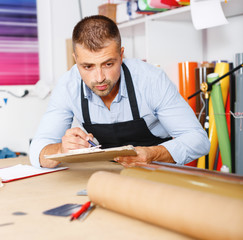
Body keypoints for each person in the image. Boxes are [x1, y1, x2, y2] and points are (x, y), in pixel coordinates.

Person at [29, 15, 210, 168]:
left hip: (156, 171)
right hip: (106, 175)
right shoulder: (68, 86)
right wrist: (61, 150)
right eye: (87, 66)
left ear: (121, 55)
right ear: (75, 60)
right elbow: (37, 150)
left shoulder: (151, 80)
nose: (99, 77)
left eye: (108, 64)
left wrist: (152, 154)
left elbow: (198, 140)